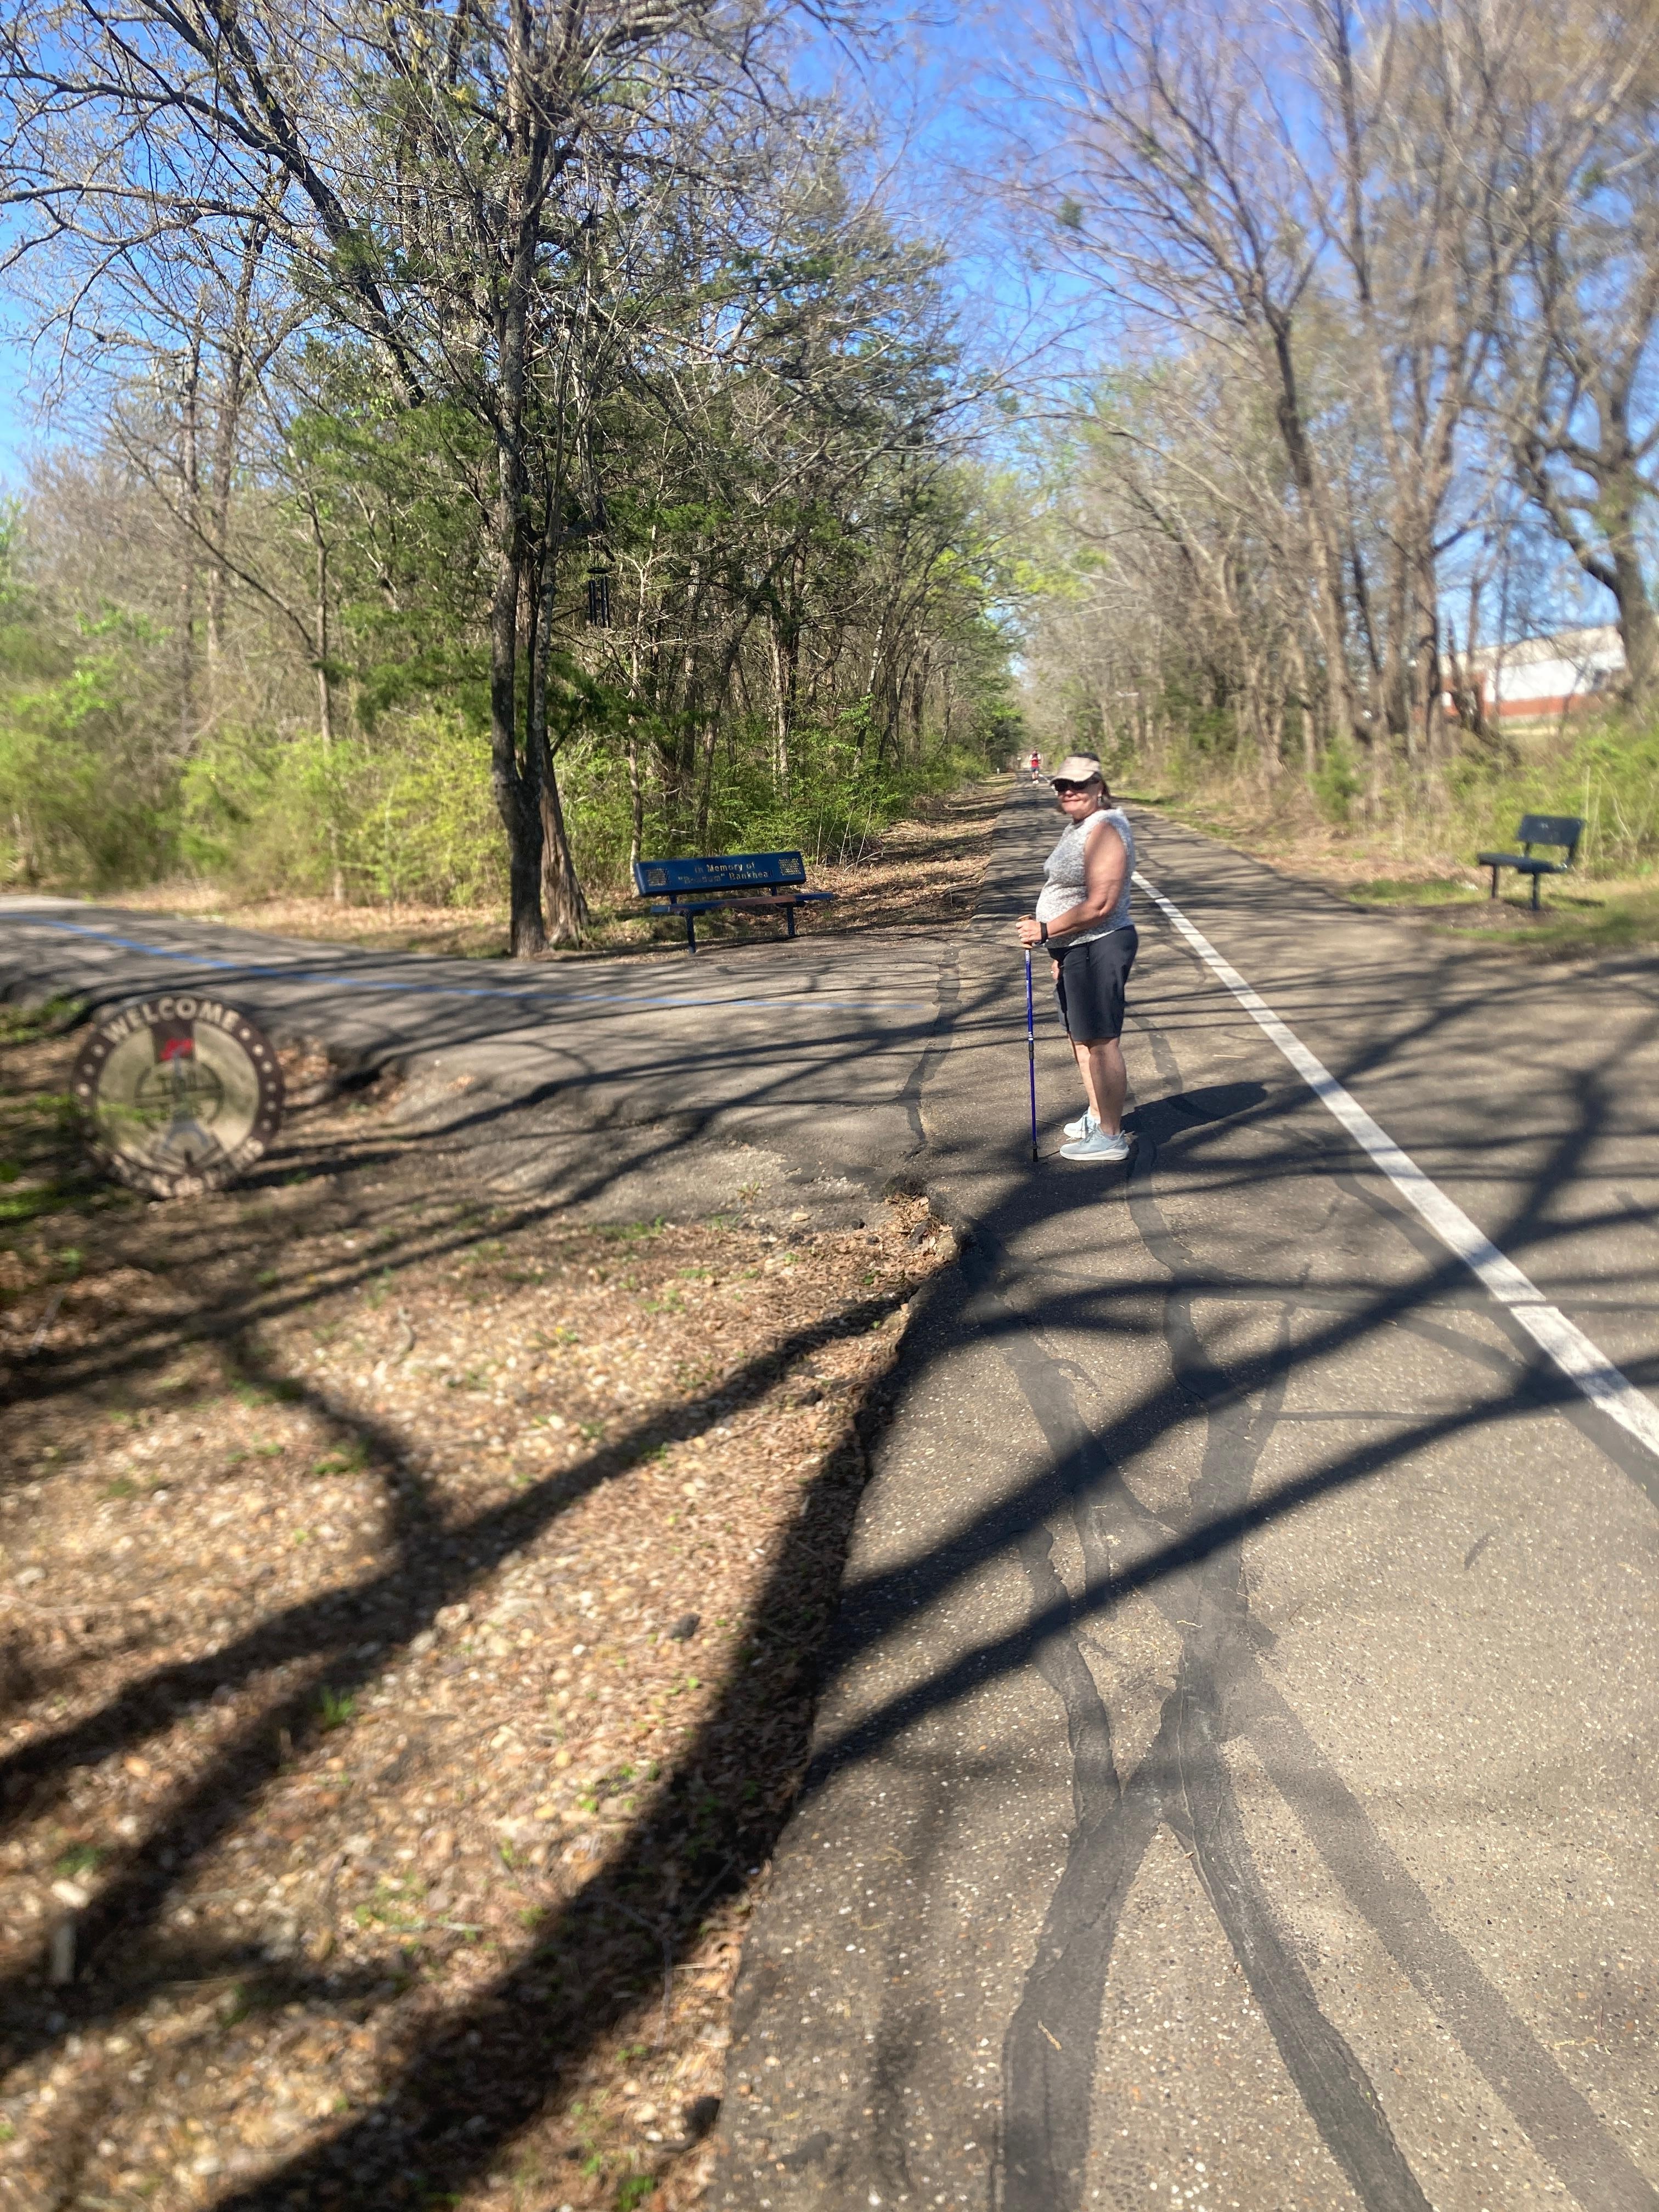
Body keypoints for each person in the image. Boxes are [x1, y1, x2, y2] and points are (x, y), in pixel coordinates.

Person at [1015, 755, 1137, 1163]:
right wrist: (1059, 948)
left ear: (1099, 786)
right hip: (1075, 947)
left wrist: (1047, 930)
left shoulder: (1106, 828)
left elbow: (1102, 903)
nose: (1069, 791)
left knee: (1101, 1040)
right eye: (1062, 786)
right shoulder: (1080, 827)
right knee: (1081, 1036)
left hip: (1100, 943)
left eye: (1079, 785)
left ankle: (1111, 1136)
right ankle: (1098, 1116)